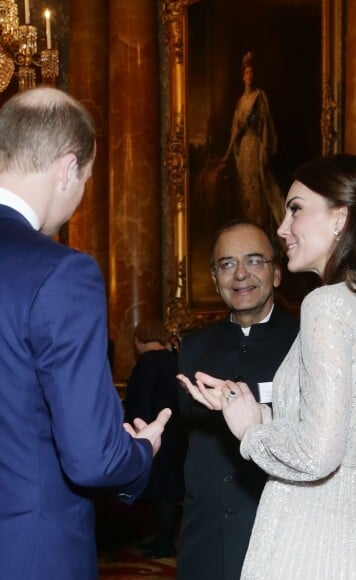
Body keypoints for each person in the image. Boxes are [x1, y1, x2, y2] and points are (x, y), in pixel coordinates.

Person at [179, 154, 356, 578]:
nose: (282, 227)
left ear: (339, 218)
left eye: (295, 209)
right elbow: (336, 430)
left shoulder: (326, 304)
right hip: (353, 516)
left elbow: (317, 456)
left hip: (308, 522)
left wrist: (251, 431)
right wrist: (249, 409)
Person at [0, 87, 171, 580]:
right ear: (67, 169)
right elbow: (91, 458)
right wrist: (140, 452)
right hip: (30, 554)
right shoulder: (61, 273)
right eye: (87, 180)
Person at [176, 220, 299, 580]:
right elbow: (189, 436)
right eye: (227, 264)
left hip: (278, 530)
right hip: (206, 533)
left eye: (254, 260)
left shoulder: (306, 339)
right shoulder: (193, 347)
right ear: (215, 279)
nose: (240, 274)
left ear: (276, 273)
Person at [124, 318, 185, 559]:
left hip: (154, 433)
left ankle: (164, 543)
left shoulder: (146, 362)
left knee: (161, 491)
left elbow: (140, 401)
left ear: (138, 340)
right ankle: (164, 538)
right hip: (176, 431)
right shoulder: (175, 359)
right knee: (168, 489)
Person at [221, 52, 285, 231]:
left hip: (256, 147)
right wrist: (227, 154)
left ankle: (261, 231)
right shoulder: (240, 102)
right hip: (243, 153)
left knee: (258, 191)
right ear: (243, 76)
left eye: (252, 72)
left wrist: (264, 150)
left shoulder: (260, 97)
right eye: (247, 73)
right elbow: (235, 130)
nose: (250, 76)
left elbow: (265, 125)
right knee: (244, 193)